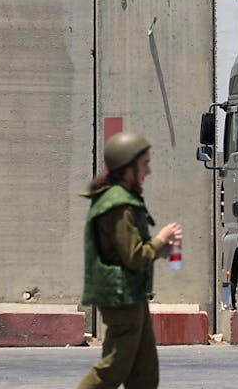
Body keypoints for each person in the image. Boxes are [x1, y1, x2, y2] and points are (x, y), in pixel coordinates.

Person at [77, 132, 182, 389]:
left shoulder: (121, 200)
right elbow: (134, 257)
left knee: (144, 374)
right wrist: (160, 239)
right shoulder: (118, 205)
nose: (149, 170)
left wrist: (161, 250)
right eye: (144, 164)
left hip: (130, 295)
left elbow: (131, 252)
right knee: (114, 368)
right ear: (128, 168)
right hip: (121, 298)